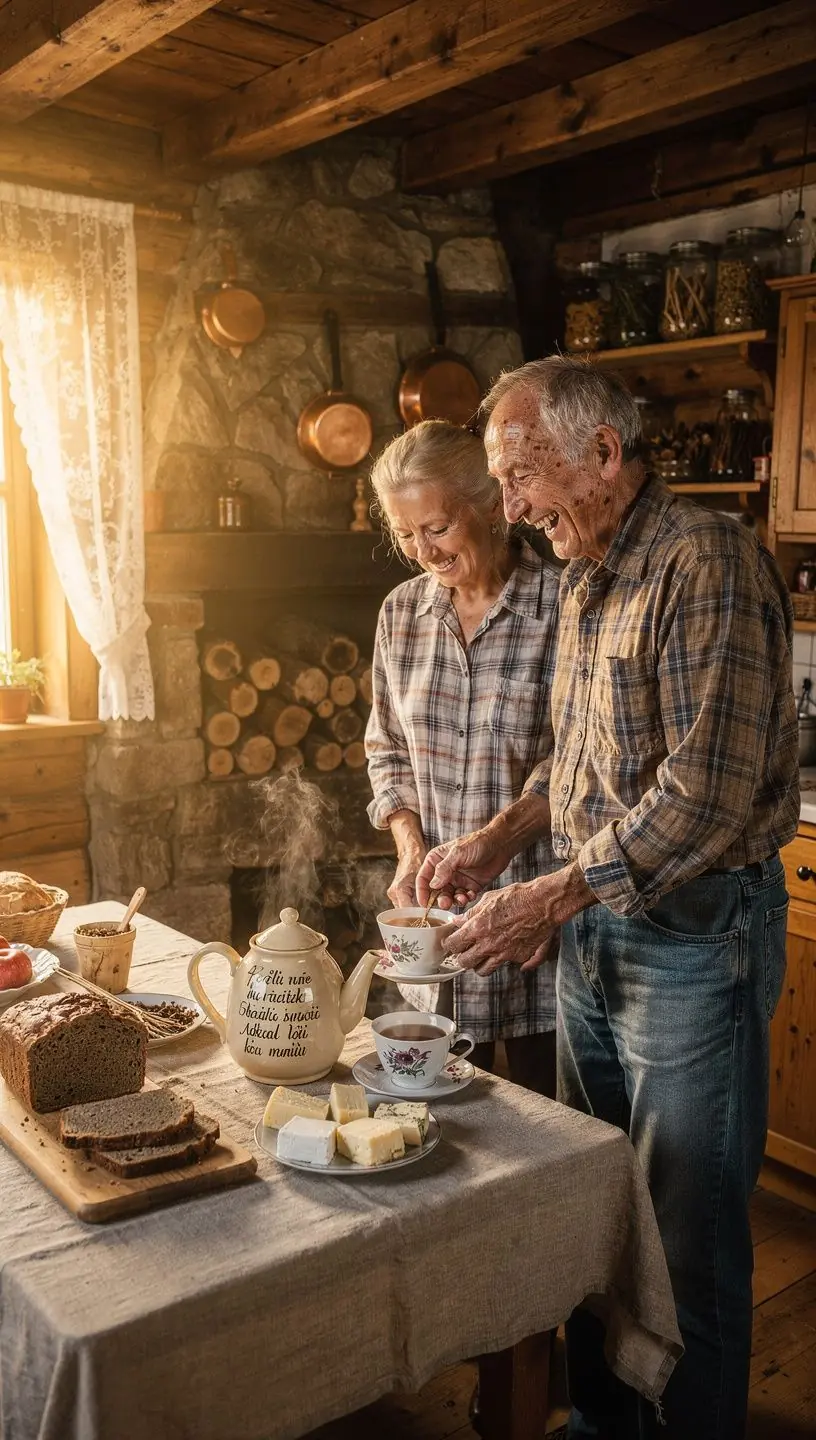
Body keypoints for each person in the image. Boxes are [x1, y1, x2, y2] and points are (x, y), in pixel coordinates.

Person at [416, 358, 799, 1439]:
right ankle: (606, 1425)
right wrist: (502, 837)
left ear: (603, 454)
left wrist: (551, 899)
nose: (510, 507)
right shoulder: (587, 570)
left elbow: (704, 796)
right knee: (595, 1213)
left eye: (520, 474)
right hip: (596, 934)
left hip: (691, 938)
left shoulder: (705, 563)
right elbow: (579, 763)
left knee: (687, 1237)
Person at [365, 419, 561, 1095]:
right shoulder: (399, 615)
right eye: (405, 534)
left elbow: (577, 761)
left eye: (438, 527)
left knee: (554, 1137)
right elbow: (385, 745)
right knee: (450, 1130)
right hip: (440, 934)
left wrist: (502, 839)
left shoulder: (564, 607)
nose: (423, 550)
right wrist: (410, 846)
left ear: (492, 506)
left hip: (539, 930)